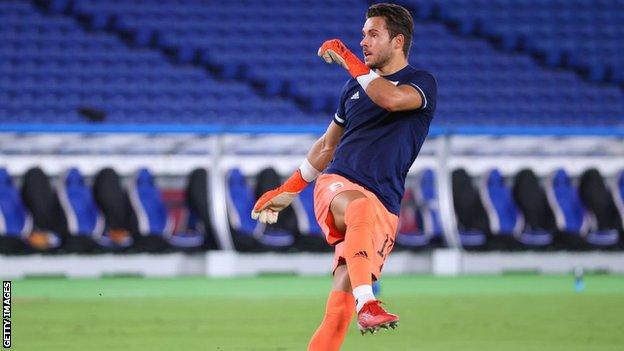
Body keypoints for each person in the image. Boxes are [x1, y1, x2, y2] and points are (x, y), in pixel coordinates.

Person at [251, 3, 437, 350]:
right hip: (340, 185)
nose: (363, 41)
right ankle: (368, 303)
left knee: (337, 314)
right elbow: (326, 146)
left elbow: (392, 100)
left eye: (373, 34)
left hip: (385, 207)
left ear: (398, 41)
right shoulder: (353, 90)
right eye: (362, 35)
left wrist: (348, 60)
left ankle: (357, 304)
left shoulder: (419, 83)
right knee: (359, 208)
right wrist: (288, 190)